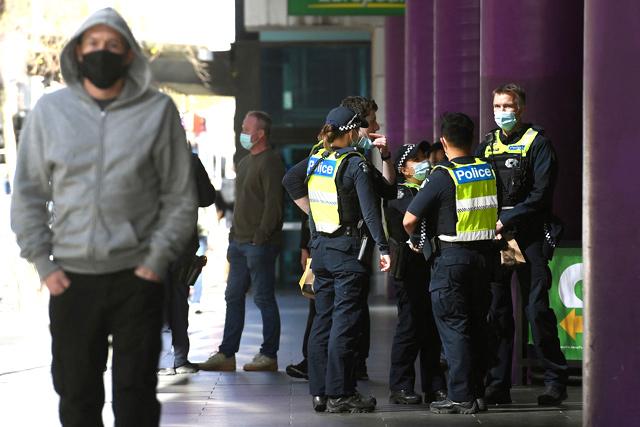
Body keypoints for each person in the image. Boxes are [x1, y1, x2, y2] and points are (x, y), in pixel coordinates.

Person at [10, 8, 197, 426]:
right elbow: (28, 193)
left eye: (113, 45)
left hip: (137, 279)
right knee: (76, 396)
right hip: (72, 280)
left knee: (136, 399)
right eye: (93, 44)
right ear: (77, 52)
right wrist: (43, 263)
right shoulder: (50, 112)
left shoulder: (158, 111)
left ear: (129, 54)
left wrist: (154, 261)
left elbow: (180, 196)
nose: (102, 52)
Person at [284, 105, 391, 413]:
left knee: (322, 321)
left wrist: (314, 218)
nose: (364, 134)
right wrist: (383, 248)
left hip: (321, 252)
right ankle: (340, 393)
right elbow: (371, 211)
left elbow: (289, 180)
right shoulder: (354, 163)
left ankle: (319, 393)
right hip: (347, 252)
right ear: (351, 131)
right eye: (361, 129)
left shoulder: (317, 159)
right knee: (346, 324)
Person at [477, 83, 568, 405]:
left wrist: (509, 219)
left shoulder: (538, 143)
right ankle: (498, 383)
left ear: (521, 108)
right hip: (497, 239)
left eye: (508, 106)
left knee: (536, 310)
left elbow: (542, 195)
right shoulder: (486, 145)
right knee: (498, 313)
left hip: (529, 236)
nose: (502, 112)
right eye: (497, 106)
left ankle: (555, 380)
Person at [404, 112, 497, 415]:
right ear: (472, 139)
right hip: (484, 259)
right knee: (477, 326)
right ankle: (477, 392)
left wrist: (418, 242)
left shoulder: (443, 175)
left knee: (455, 328)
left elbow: (409, 219)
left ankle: (460, 396)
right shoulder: (487, 169)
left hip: (452, 260)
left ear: (443, 142)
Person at [199, 111, 285, 372]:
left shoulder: (271, 161)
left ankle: (268, 355)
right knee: (232, 296)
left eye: (246, 129)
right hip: (238, 242)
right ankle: (227, 353)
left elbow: (274, 205)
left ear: (259, 134)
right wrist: (234, 236)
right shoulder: (246, 162)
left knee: (263, 298)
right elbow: (241, 204)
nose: (242, 133)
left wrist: (260, 236)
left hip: (258, 244)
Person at [385, 141, 446, 405]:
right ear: (403, 169)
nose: (424, 162)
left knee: (432, 327)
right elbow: (412, 219)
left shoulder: (426, 189)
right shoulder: (400, 195)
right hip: (409, 269)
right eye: (417, 159)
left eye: (425, 157)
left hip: (431, 267)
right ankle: (400, 386)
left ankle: (435, 386)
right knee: (409, 326)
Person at [158, 153, 216, 376]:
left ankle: (164, 361)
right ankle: (181, 359)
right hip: (183, 242)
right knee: (180, 300)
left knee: (159, 300)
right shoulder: (190, 160)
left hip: (156, 243)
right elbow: (207, 197)